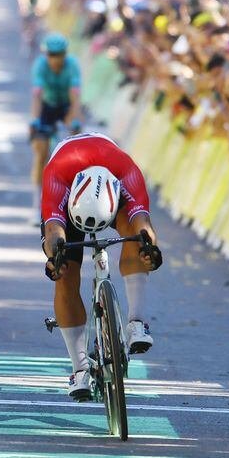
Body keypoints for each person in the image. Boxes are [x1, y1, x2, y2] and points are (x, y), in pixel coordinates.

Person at [40, 132, 163, 401]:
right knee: (65, 276)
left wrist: (150, 250)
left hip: (112, 189)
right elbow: (53, 230)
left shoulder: (126, 170)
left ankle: (136, 323)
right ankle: (80, 367)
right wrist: (54, 257)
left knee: (136, 237)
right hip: (69, 186)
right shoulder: (56, 175)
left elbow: (144, 224)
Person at [30, 32, 83, 217]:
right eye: (51, 55)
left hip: (66, 106)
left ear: (64, 54)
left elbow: (75, 97)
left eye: (58, 54)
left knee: (76, 151)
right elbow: (37, 96)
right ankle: (38, 203)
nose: (54, 59)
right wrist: (35, 120)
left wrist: (75, 121)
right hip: (47, 107)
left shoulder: (72, 65)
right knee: (41, 152)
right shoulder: (40, 66)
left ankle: (74, 198)